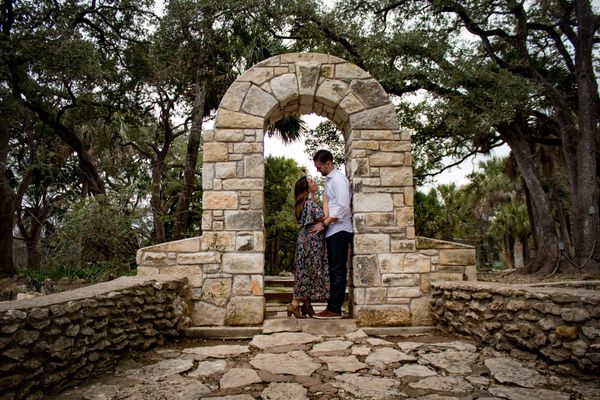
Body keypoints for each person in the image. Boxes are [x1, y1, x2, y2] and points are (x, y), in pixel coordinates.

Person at [310, 149, 353, 319]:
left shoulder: (338, 180)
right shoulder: (330, 181)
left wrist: (323, 224)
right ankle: (331, 307)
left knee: (337, 270)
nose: (317, 170)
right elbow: (331, 206)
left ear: (328, 162)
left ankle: (335, 309)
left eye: (319, 166)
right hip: (333, 230)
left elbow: (343, 207)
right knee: (334, 270)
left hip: (340, 230)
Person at [287, 176, 330, 318]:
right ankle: (294, 305)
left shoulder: (304, 203)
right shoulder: (310, 204)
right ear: (306, 188)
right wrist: (325, 201)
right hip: (311, 243)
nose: (314, 182)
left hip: (305, 241)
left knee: (305, 271)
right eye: (311, 182)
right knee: (308, 272)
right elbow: (325, 217)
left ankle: (306, 306)